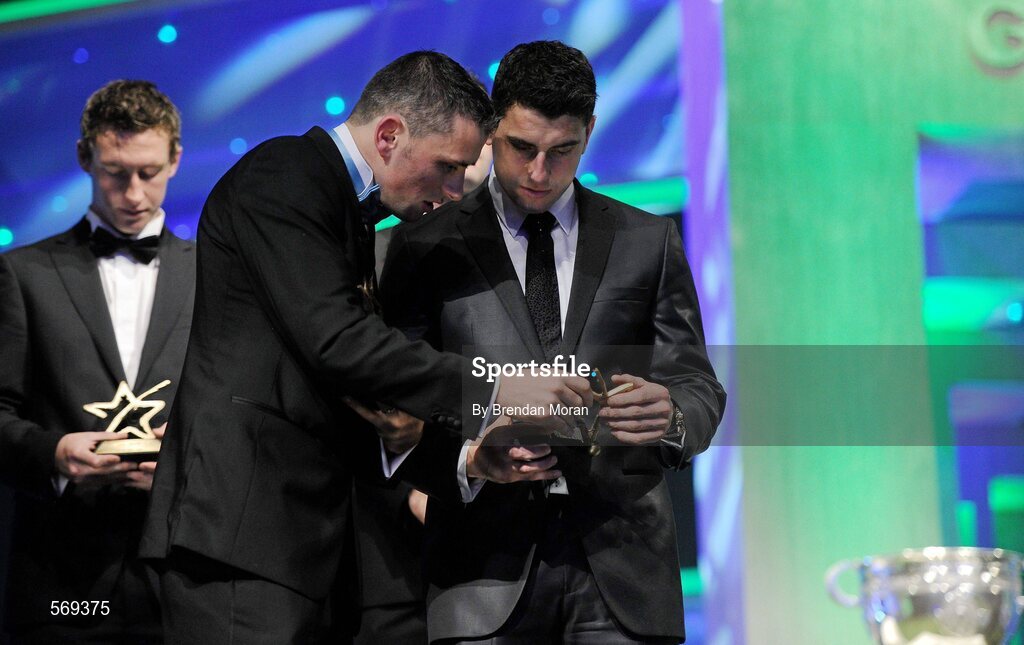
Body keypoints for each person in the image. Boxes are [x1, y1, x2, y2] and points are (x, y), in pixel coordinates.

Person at [139, 50, 590, 644]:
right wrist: (499, 386)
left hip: (291, 548)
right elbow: (342, 346)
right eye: (448, 166)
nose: (456, 191)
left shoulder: (341, 208)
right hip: (240, 537)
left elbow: (348, 399)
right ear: (388, 135)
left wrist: (464, 462)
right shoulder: (285, 176)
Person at [380, 41, 727, 644]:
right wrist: (468, 460)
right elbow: (394, 403)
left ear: (589, 131)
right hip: (478, 570)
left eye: (562, 151)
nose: (539, 173)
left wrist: (671, 415)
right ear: (492, 129)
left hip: (624, 566)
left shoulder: (648, 240)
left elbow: (698, 384)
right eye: (522, 148)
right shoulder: (421, 246)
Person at [0, 80, 194, 644]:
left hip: (182, 577)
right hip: (65, 584)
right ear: (85, 157)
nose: (132, 192)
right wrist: (53, 454)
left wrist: (185, 459)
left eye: (149, 172)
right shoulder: (21, 274)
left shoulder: (216, 275)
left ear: (176, 159)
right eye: (115, 171)